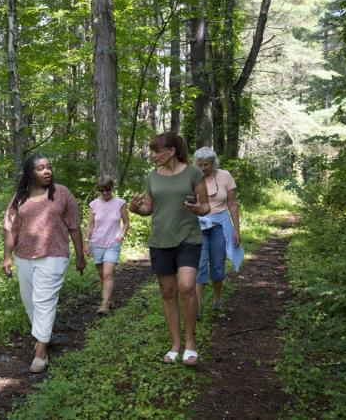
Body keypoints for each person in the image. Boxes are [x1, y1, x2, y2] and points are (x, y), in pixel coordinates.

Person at [128, 131, 210, 366]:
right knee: (167, 293)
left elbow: (205, 206)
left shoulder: (193, 173)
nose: (153, 156)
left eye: (156, 151)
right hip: (160, 241)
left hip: (188, 238)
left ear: (171, 151)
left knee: (186, 287)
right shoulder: (152, 177)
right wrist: (135, 209)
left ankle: (190, 343)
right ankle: (175, 344)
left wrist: (197, 210)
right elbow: (148, 209)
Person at [2, 154, 87, 373]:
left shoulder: (61, 193)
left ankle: (41, 354)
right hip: (24, 256)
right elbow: (11, 228)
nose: (46, 171)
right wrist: (7, 257)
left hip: (54, 255)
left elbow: (74, 226)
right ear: (30, 173)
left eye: (48, 167)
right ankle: (42, 336)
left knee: (44, 301)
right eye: (40, 168)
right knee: (30, 302)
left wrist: (80, 255)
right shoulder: (19, 198)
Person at [193, 147, 244, 318]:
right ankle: (197, 307)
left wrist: (236, 229)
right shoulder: (193, 177)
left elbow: (233, 204)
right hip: (199, 225)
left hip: (220, 226)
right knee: (199, 265)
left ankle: (217, 298)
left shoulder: (225, 176)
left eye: (206, 165)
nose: (202, 168)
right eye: (199, 165)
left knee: (217, 264)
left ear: (213, 163)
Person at [85, 175, 130, 314]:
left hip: (113, 243)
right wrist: (86, 242)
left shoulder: (120, 203)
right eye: (102, 190)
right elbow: (90, 225)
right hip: (96, 243)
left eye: (108, 190)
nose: (105, 193)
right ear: (98, 190)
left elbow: (126, 222)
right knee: (102, 276)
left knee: (108, 274)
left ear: (112, 188)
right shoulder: (93, 204)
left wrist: (121, 234)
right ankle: (109, 299)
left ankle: (104, 305)